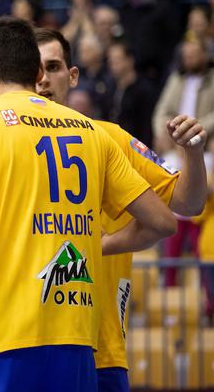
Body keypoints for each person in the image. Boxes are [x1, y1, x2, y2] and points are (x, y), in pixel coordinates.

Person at [0, 17, 177, 392]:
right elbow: (163, 222)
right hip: (76, 342)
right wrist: (98, 244)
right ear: (36, 72)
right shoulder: (88, 130)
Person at [34, 28, 208, 392]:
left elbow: (189, 204)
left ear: (73, 76)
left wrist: (191, 152)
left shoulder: (110, 137)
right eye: (33, 69)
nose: (42, 80)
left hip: (102, 350)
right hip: (23, 342)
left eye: (53, 67)